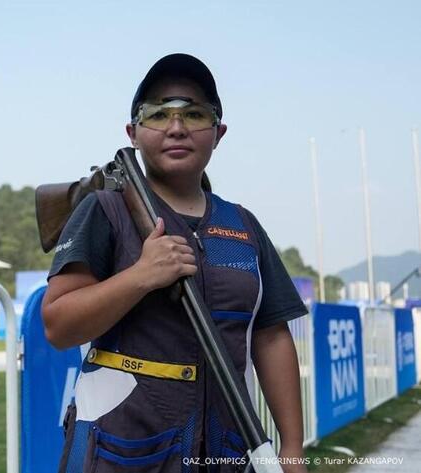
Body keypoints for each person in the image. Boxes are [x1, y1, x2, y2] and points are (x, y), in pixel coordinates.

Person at [42, 53, 308, 473]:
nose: (177, 127)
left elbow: (271, 337)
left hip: (226, 451)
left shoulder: (243, 224)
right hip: (121, 450)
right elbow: (57, 325)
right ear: (133, 131)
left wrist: (292, 448)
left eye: (195, 114)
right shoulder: (104, 210)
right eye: (159, 114)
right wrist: (141, 277)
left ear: (218, 133)